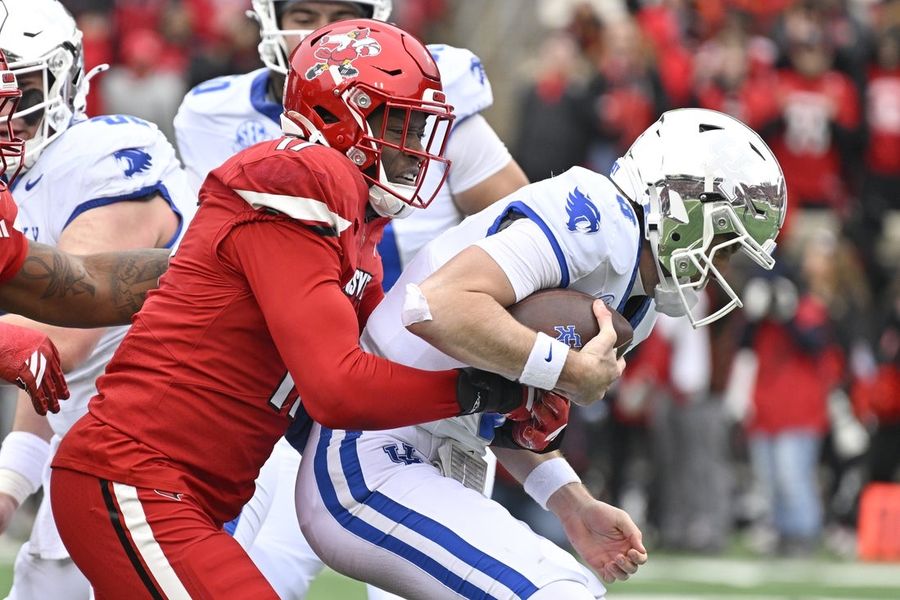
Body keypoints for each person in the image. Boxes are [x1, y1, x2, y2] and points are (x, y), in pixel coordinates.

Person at [49, 20, 620, 599]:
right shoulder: (297, 177)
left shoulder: (356, 238)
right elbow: (339, 389)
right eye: (400, 120)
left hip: (177, 489)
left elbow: (395, 374)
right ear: (337, 114)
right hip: (133, 477)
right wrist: (487, 391)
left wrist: (541, 456)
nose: (416, 144)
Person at [295, 107, 788, 599]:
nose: (718, 266)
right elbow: (437, 306)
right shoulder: (598, 221)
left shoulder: (638, 296)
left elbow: (504, 407)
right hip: (375, 448)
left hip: (443, 455)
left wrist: (569, 501)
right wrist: (569, 368)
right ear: (681, 208)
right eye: (722, 245)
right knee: (559, 591)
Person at [173, 2, 529, 597]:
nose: (323, 29)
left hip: (407, 387)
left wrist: (518, 367)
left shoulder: (431, 86)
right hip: (278, 399)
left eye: (342, 11)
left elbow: (525, 238)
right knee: (249, 575)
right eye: (304, 10)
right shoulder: (217, 115)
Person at [0, 2, 197, 598]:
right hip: (106, 438)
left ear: (61, 80)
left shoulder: (96, 156)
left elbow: (62, 338)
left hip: (186, 444)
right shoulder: (21, 183)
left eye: (19, 88)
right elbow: (47, 376)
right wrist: (12, 480)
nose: (5, 110)